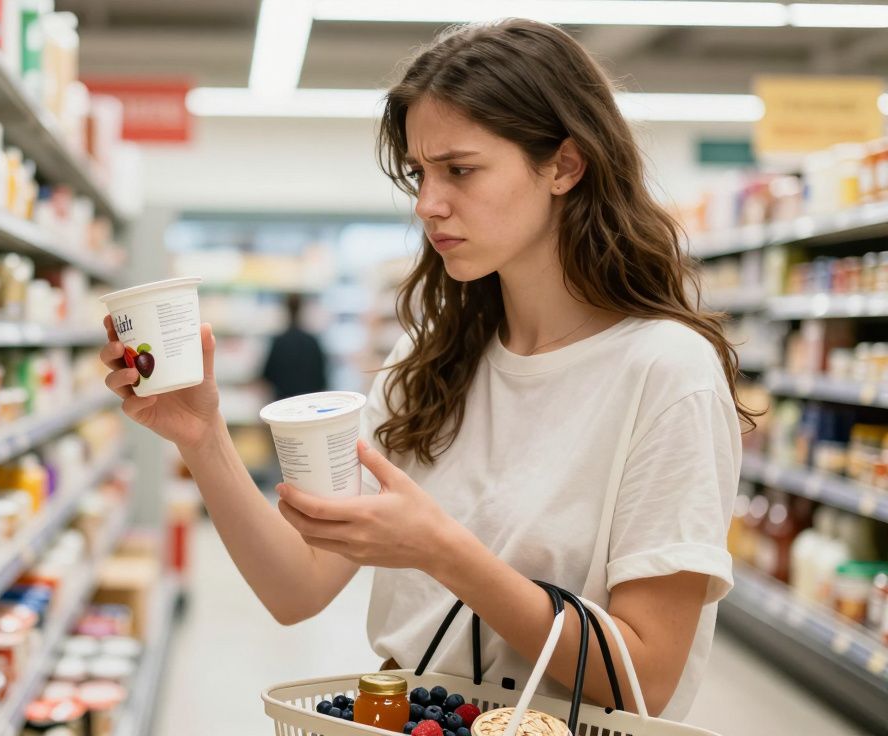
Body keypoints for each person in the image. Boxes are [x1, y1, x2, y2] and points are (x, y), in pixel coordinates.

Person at [99, 18, 754, 720]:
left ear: (565, 166)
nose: (426, 204)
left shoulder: (665, 372)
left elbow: (645, 679)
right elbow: (296, 589)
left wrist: (442, 552)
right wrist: (202, 437)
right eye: (419, 173)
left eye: (460, 170)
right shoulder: (426, 363)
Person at [260, 293, 329, 401]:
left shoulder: (279, 341)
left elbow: (268, 374)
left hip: (284, 401)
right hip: (309, 400)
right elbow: (321, 375)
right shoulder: (311, 341)